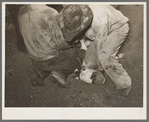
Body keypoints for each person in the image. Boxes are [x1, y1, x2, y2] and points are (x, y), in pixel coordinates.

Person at [18, 4, 93, 87]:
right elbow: (65, 44)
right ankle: (60, 74)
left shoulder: (23, 10)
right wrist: (79, 43)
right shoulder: (52, 16)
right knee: (81, 54)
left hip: (32, 52)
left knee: (45, 54)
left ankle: (37, 71)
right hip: (48, 58)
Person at [79, 5, 132, 96]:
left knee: (105, 57)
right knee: (88, 63)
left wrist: (99, 59)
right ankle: (100, 68)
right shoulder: (78, 10)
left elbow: (99, 45)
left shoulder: (100, 20)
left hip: (117, 29)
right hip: (96, 32)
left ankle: (125, 84)